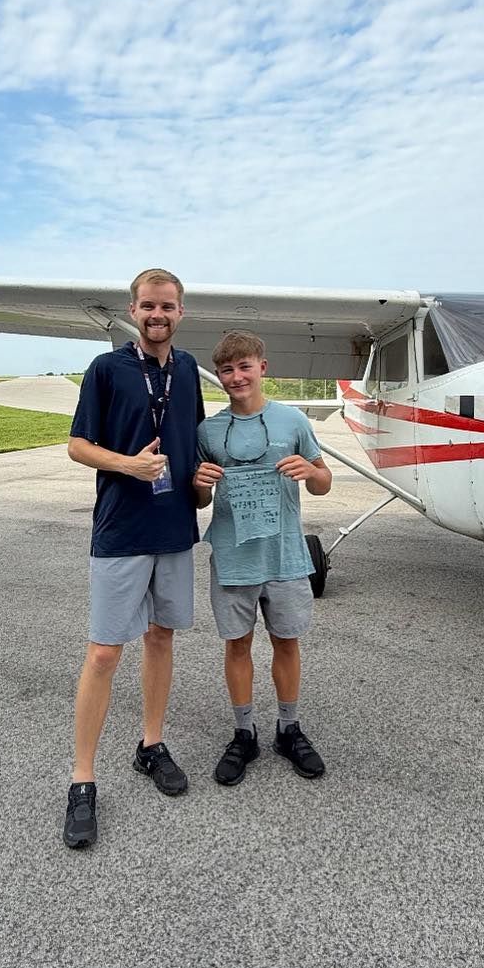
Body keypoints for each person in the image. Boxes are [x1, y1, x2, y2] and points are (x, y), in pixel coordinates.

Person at [63, 268, 205, 849]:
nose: (158, 315)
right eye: (149, 305)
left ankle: (151, 745)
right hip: (121, 529)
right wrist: (128, 464)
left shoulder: (190, 369)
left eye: (168, 306)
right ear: (133, 309)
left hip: (174, 528)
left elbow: (192, 439)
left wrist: (202, 483)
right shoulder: (107, 369)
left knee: (162, 638)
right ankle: (81, 780)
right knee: (102, 653)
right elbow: (77, 445)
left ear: (180, 312)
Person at [192, 332, 332, 787]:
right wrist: (200, 482)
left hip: (285, 555)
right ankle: (244, 732)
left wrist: (310, 471)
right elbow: (197, 499)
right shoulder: (208, 431)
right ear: (220, 376)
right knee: (237, 644)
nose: (236, 377)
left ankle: (288, 729)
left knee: (287, 642)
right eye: (227, 370)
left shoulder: (292, 421)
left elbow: (323, 481)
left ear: (262, 367)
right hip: (234, 557)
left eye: (244, 367)